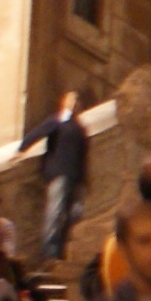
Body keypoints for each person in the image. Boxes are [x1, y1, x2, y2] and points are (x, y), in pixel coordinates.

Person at [32, 91, 91, 267]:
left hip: (76, 178)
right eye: (71, 102)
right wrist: (21, 149)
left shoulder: (80, 129)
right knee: (55, 215)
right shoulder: (57, 122)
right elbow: (37, 133)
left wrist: (86, 180)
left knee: (74, 216)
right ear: (64, 104)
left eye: (77, 102)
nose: (74, 105)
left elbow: (83, 157)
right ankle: (49, 256)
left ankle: (64, 253)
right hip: (59, 175)